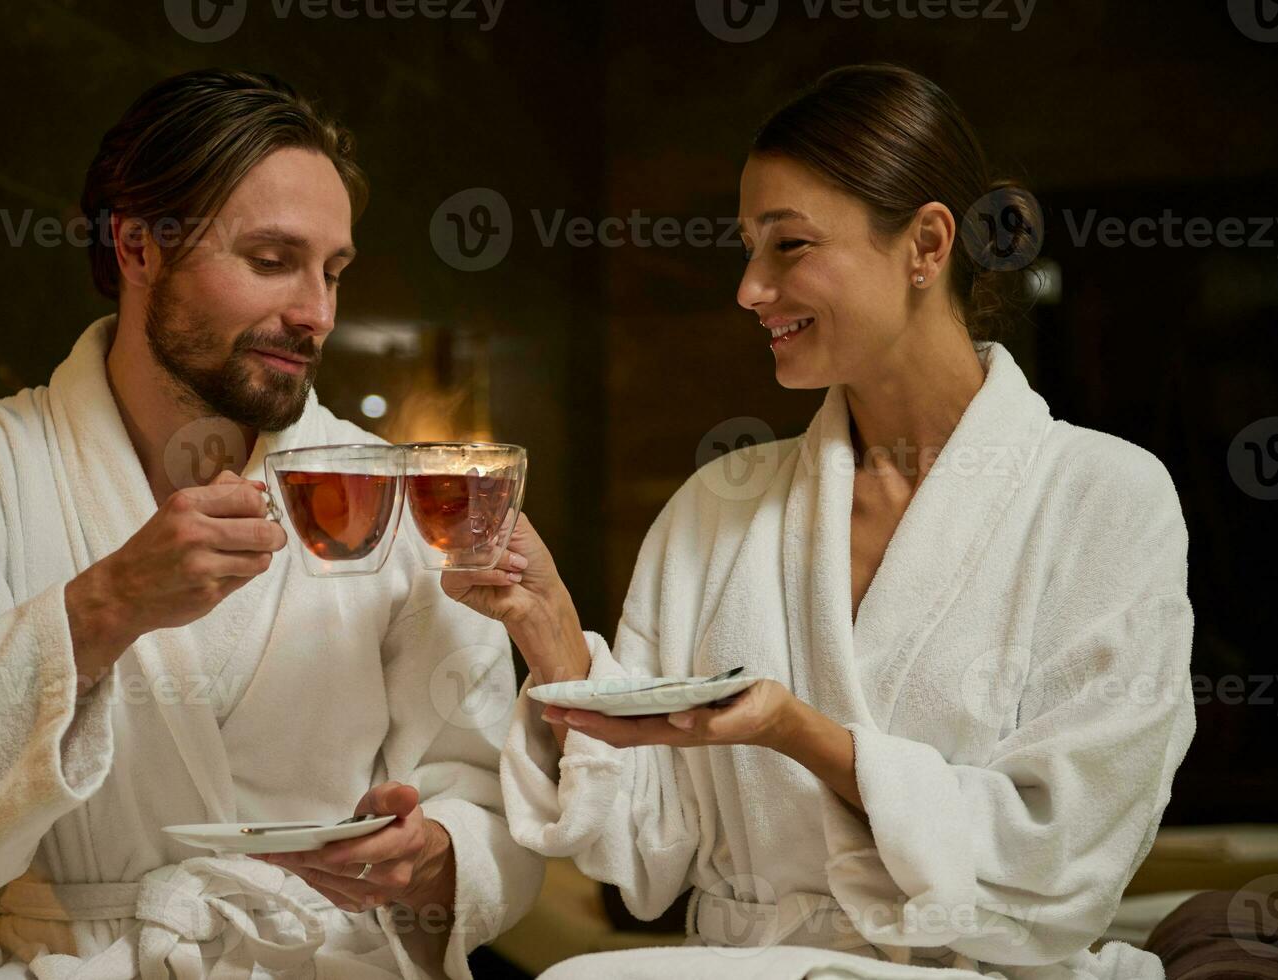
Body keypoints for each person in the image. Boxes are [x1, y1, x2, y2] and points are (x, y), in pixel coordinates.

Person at [443, 64, 1195, 979]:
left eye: (789, 245)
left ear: (925, 244)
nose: (748, 288)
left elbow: (1063, 857)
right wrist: (554, 637)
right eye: (745, 248)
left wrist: (799, 733)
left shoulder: (1103, 498)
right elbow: (645, 856)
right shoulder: (717, 508)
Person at [0, 68, 541, 979]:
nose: (316, 312)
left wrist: (431, 859)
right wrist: (100, 609)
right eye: (272, 261)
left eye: (333, 272)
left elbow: (487, 796)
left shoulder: (380, 488)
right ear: (138, 247)